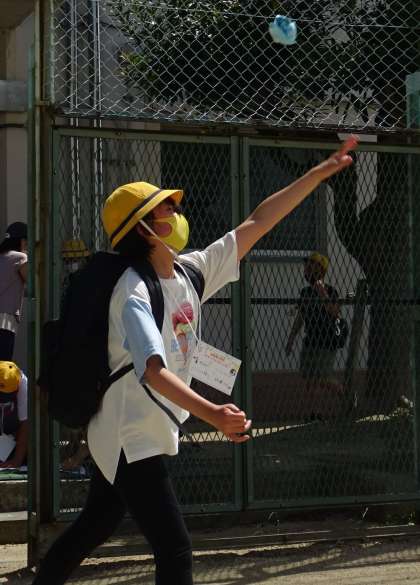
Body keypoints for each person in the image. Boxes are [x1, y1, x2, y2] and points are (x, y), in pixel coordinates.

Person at [32, 136, 357, 585]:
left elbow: (258, 221)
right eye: (165, 210)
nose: (176, 213)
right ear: (142, 229)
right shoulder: (132, 289)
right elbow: (153, 370)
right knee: (174, 546)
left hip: (140, 429)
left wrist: (316, 175)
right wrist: (215, 415)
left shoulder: (191, 271)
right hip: (129, 431)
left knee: (95, 525)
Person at [286, 252, 342, 418]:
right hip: (310, 340)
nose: (307, 269)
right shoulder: (305, 292)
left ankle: (344, 393)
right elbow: (301, 317)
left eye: (311, 265)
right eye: (306, 266)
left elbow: (335, 313)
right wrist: (291, 339)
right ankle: (315, 412)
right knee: (310, 378)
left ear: (321, 269)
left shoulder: (331, 291)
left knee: (322, 377)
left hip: (326, 340)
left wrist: (322, 292)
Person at [0, 222, 28, 360]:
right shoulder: (20, 257)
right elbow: (31, 281)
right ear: (22, 241)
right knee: (3, 365)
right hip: (4, 321)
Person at [0, 361, 28, 469]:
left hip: (13, 432)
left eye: (8, 394)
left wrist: (17, 460)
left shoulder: (24, 385)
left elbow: (26, 425)